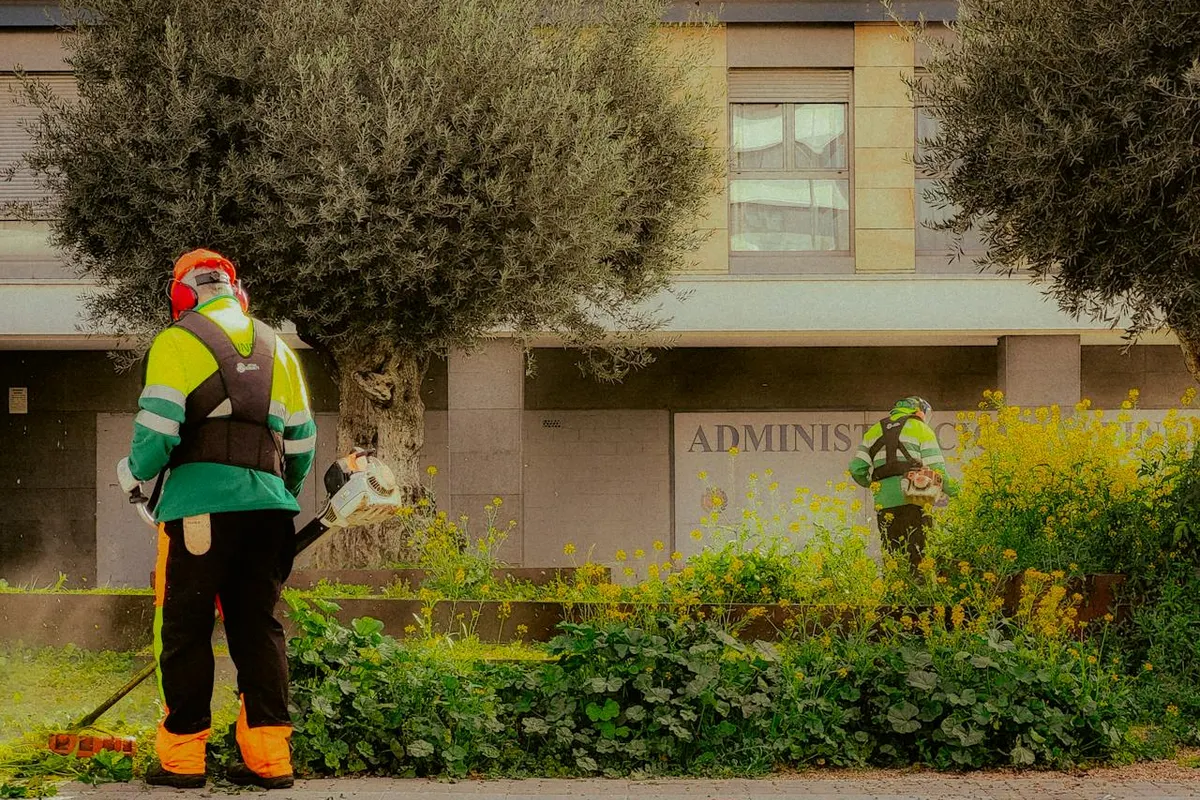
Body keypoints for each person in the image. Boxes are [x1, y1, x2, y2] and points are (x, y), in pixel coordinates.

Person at [115, 249, 316, 790]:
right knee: (258, 629)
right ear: (237, 292)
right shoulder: (279, 348)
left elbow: (159, 429)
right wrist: (276, 495)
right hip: (270, 511)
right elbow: (302, 442)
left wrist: (134, 473)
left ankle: (183, 760)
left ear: (182, 295)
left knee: (184, 629)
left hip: (197, 511)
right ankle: (269, 759)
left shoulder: (176, 340)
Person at [849, 396, 956, 568]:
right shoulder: (921, 429)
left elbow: (856, 469)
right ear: (919, 411)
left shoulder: (873, 431)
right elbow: (938, 470)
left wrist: (877, 484)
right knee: (920, 558)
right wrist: (959, 494)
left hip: (884, 504)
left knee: (893, 558)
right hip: (916, 500)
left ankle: (895, 584)